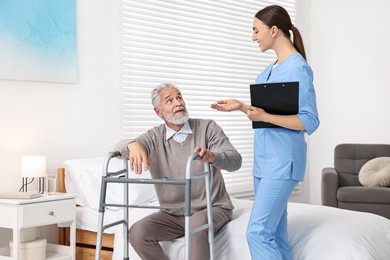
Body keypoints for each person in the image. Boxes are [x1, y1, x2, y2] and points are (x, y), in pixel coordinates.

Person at [211, 5, 319, 260]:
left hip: (282, 163)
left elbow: (310, 121)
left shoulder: (297, 68)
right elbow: (266, 112)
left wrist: (265, 115)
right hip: (263, 164)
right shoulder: (269, 70)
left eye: (256, 30)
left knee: (257, 232)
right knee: (276, 234)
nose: (252, 36)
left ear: (273, 30)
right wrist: (240, 107)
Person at [114, 83, 242, 260]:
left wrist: (213, 157)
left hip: (212, 208)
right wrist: (132, 144)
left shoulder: (207, 128)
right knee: (137, 233)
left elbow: (235, 161)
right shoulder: (154, 137)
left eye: (179, 97)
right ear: (159, 112)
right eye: (170, 100)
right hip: (172, 215)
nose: (178, 102)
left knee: (196, 226)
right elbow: (118, 148)